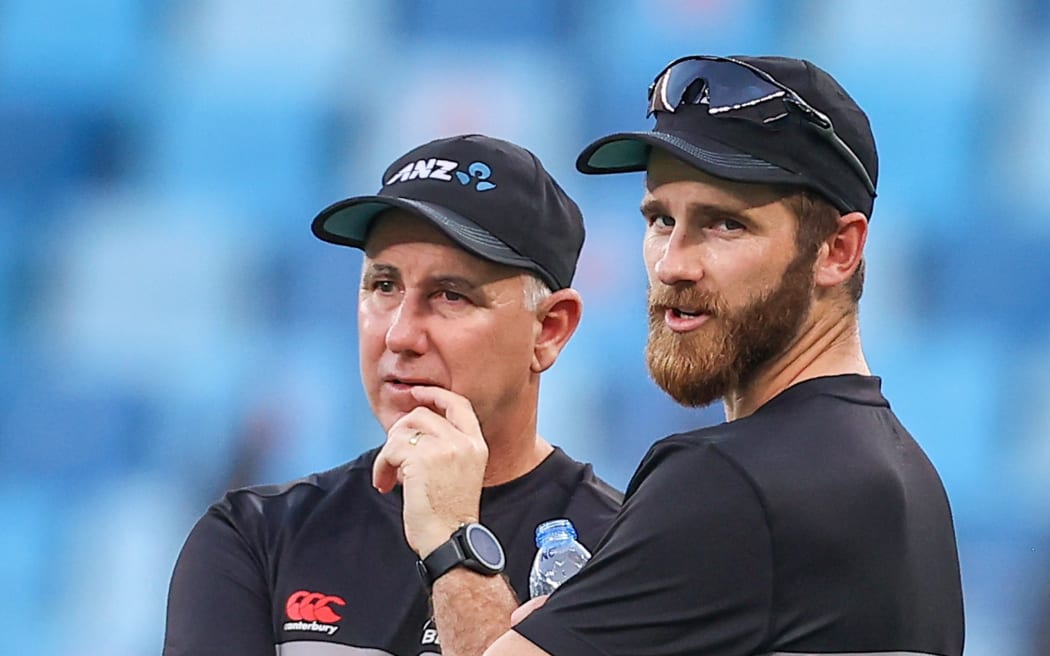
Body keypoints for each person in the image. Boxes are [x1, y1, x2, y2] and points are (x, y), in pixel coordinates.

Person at [392, 56, 966, 656]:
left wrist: (451, 538)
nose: (672, 264)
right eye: (661, 219)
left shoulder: (729, 484)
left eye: (725, 225)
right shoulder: (910, 480)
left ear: (837, 250)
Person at [162, 134, 623, 656]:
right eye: (383, 286)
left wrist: (454, 543)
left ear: (549, 330)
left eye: (450, 295)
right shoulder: (254, 539)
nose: (400, 335)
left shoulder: (628, 555)